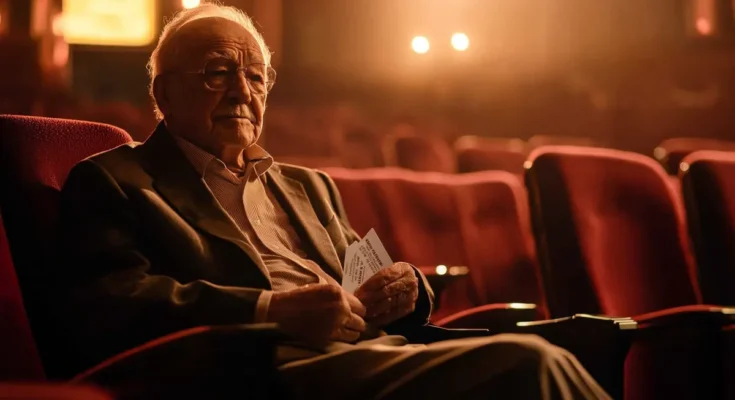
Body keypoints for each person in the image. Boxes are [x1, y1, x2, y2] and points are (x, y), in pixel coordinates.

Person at [57, 4, 611, 399]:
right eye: (218, 73)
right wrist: (272, 311)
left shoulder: (308, 186)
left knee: (555, 354)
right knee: (532, 364)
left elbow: (363, 281)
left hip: (375, 353)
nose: (242, 91)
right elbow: (113, 304)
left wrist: (408, 288)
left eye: (256, 77)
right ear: (164, 94)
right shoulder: (115, 179)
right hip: (264, 367)